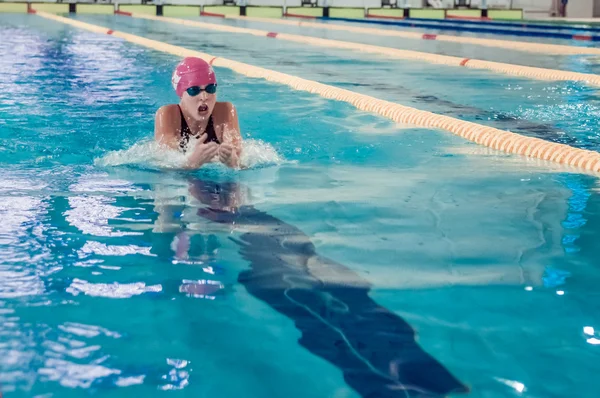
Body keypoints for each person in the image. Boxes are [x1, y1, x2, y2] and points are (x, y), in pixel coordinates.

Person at [154, 57, 242, 169]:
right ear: (181, 94)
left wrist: (232, 160)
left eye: (210, 89)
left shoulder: (225, 111)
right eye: (194, 90)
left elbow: (240, 158)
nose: (204, 97)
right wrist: (192, 162)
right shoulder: (168, 115)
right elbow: (164, 167)